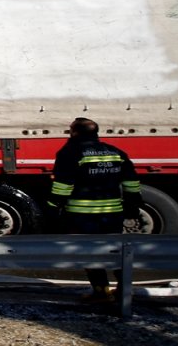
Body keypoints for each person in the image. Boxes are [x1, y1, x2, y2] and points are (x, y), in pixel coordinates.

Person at [48, 117, 143, 303]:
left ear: (74, 132)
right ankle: (125, 290)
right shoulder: (115, 152)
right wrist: (133, 204)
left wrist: (53, 207)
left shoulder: (70, 152)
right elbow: (131, 181)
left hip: (82, 214)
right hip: (112, 213)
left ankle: (101, 292)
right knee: (115, 252)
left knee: (91, 253)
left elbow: (63, 185)